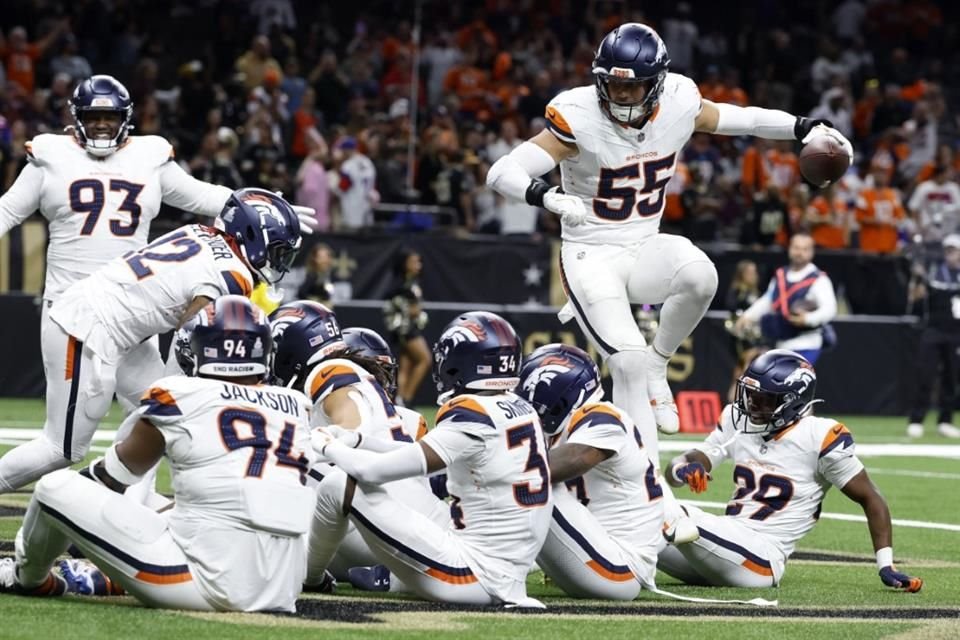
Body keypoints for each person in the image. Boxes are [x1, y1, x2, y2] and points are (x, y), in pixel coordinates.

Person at [486, 23, 853, 473]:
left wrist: (804, 127)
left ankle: (662, 360)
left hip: (643, 243)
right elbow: (502, 171)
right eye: (613, 84)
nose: (620, 95)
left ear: (657, 84)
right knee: (626, 362)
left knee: (702, 276)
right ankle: (645, 487)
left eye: (632, 85)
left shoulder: (679, 103)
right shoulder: (577, 115)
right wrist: (544, 195)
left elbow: (746, 120)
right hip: (591, 253)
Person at [0, 296, 316, 612]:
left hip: (206, 584)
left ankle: (28, 578)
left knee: (53, 488)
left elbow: (114, 476)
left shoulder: (179, 394)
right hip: (282, 588)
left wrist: (73, 522)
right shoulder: (297, 406)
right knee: (181, 506)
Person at [0, 188, 302, 493]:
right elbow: (189, 339)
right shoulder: (234, 276)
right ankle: (91, 494)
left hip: (116, 326)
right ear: (251, 236)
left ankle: (121, 502)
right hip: (88, 326)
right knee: (62, 449)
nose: (281, 263)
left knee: (162, 419)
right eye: (278, 252)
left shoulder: (199, 231)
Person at [307, 311, 551, 607]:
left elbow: (369, 472)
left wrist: (327, 445)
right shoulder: (517, 407)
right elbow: (417, 456)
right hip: (505, 570)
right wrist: (361, 440)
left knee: (339, 484)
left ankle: (311, 579)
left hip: (471, 574)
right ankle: (392, 578)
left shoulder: (471, 414)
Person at [658, 350, 923, 593]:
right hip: (721, 547)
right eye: (750, 395)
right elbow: (686, 463)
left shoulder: (819, 436)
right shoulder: (737, 421)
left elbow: (871, 498)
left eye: (764, 400)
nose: (751, 405)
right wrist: (685, 468)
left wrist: (885, 564)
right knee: (644, 511)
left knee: (675, 515)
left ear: (793, 402)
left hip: (761, 556)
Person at [269, 303, 441, 587]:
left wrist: (330, 438)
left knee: (282, 457)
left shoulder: (329, 370)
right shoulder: (349, 373)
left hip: (380, 518)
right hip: (409, 519)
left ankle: (307, 573)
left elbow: (353, 422)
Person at [518, 344, 666, 600]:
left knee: (533, 480)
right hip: (597, 553)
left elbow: (573, 459)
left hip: (620, 566)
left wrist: (484, 468)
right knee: (525, 475)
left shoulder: (601, 416)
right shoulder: (564, 429)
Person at [735, 233, 837, 364]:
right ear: (789, 249)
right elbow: (768, 300)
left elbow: (830, 309)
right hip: (782, 343)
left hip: (807, 344)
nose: (799, 253)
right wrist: (748, 316)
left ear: (811, 252)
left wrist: (808, 319)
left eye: (804, 249)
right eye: (796, 248)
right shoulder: (781, 275)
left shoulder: (819, 279)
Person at [905, 234, 960, 439]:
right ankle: (916, 419)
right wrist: (917, 279)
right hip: (934, 331)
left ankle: (945, 420)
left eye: (954, 250)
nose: (951, 255)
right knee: (925, 375)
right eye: (948, 250)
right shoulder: (935, 273)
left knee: (952, 378)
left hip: (956, 334)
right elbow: (915, 299)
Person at [384, 249, 431, 406]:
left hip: (408, 329)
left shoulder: (412, 282)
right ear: (405, 264)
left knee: (406, 365)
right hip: (407, 330)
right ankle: (408, 400)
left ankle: (399, 401)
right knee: (425, 359)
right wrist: (411, 310)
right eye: (413, 262)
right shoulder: (403, 284)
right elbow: (396, 304)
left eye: (419, 261)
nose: (418, 265)